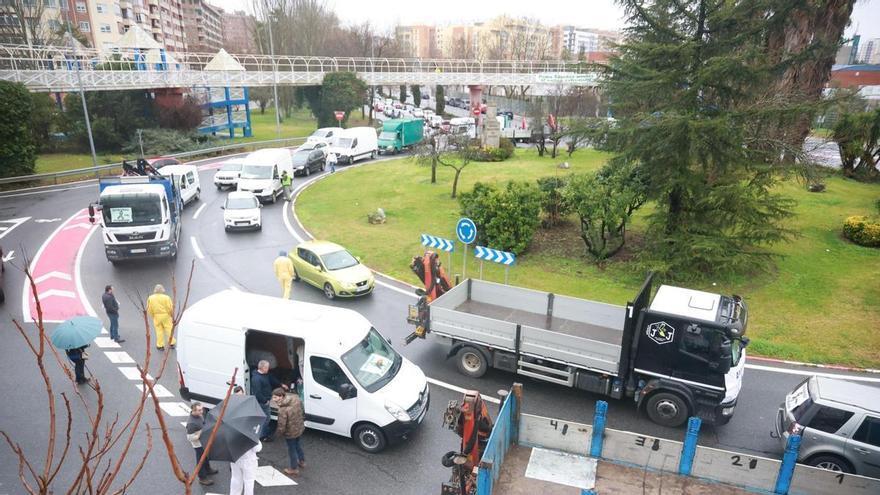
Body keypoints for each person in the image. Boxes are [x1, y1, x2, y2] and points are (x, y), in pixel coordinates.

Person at [273, 388, 305, 477]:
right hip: (299, 427)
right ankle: (302, 461)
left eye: (275, 397)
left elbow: (281, 426)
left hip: (290, 432)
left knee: (292, 449)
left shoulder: (283, 409)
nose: (273, 399)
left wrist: (277, 435)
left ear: (281, 397)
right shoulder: (295, 398)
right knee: (298, 445)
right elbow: (302, 410)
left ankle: (293, 468)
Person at [251, 360, 286, 441]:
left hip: (266, 400)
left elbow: (272, 379)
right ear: (263, 368)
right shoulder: (256, 379)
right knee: (266, 418)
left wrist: (281, 384)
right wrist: (265, 401)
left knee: (265, 418)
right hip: (262, 402)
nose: (268, 368)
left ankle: (264, 431)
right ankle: (263, 436)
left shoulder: (265, 374)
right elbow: (257, 393)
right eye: (267, 367)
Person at [186, 402, 219, 486]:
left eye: (202, 409)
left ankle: (208, 469)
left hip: (204, 441)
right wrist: (200, 434)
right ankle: (202, 478)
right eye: (199, 410)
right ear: (194, 410)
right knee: (200, 460)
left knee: (205, 457)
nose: (202, 411)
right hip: (198, 445)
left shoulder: (199, 415)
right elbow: (190, 438)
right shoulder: (191, 423)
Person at [146, 284, 175, 350]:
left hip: (156, 316)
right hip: (166, 315)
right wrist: (171, 315)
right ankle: (171, 343)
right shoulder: (166, 297)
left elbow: (149, 309)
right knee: (169, 329)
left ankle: (160, 345)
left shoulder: (150, 298)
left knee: (159, 331)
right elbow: (170, 308)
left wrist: (153, 315)